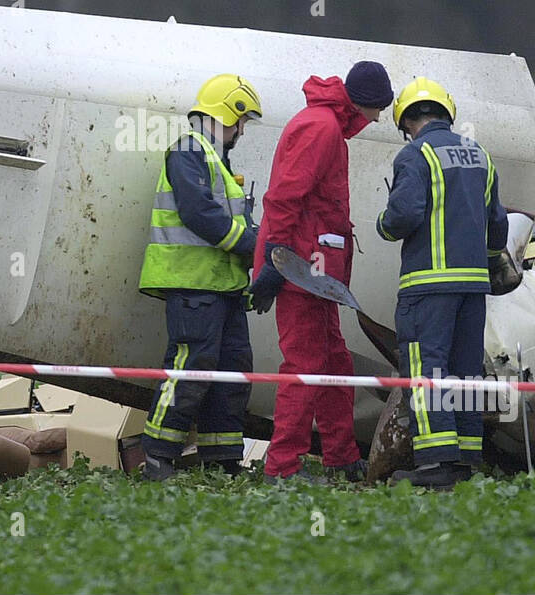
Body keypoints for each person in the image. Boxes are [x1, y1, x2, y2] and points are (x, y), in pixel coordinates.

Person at [249, 61, 393, 483]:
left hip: (314, 274)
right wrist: (276, 257)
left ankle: (341, 457)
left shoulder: (326, 125)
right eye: (377, 109)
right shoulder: (323, 128)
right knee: (306, 365)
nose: (377, 119)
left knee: (333, 362)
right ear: (364, 103)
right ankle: (282, 469)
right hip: (300, 270)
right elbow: (284, 197)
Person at [375, 77, 509, 489]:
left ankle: (434, 467)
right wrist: (484, 264)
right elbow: (498, 226)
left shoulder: (414, 155)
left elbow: (404, 214)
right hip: (473, 288)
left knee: (426, 369)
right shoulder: (481, 156)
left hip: (428, 286)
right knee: (465, 373)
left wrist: (383, 225)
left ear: (407, 121)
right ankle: (464, 460)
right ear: (445, 114)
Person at [138, 73, 263, 480]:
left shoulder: (212, 159)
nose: (241, 131)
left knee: (231, 372)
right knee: (191, 367)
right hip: (193, 285)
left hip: (222, 289)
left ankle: (223, 461)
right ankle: (157, 456)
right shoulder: (188, 152)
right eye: (241, 122)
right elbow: (199, 214)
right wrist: (251, 244)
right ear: (229, 114)